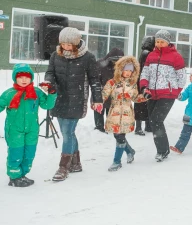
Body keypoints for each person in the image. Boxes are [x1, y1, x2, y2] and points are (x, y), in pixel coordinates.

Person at [44, 27, 102, 182]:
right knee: (66, 132)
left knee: (68, 132)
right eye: (63, 44)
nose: (65, 47)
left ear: (76, 43)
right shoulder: (55, 56)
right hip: (59, 98)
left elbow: (95, 79)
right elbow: (50, 72)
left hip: (77, 99)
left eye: (69, 44)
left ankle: (63, 167)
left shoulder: (88, 57)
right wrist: (48, 82)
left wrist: (97, 99)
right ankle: (76, 163)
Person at [0, 64, 57, 187]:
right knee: (16, 153)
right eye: (20, 77)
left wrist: (52, 93)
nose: (24, 80)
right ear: (15, 78)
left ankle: (22, 175)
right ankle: (14, 177)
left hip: (32, 129)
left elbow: (47, 105)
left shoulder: (37, 93)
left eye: (27, 77)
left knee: (29, 154)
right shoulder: (9, 93)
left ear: (31, 78)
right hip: (14, 130)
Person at [139, 30, 186, 162]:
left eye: (162, 42)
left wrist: (176, 91)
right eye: (158, 41)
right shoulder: (151, 55)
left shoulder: (176, 57)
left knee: (156, 120)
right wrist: (144, 87)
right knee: (153, 121)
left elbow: (182, 76)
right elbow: (145, 73)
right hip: (152, 93)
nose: (159, 44)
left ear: (168, 42)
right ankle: (162, 149)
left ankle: (162, 151)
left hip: (167, 93)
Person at [101, 56, 146, 172]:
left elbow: (135, 98)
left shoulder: (133, 84)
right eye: (126, 70)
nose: (128, 73)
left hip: (127, 115)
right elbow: (104, 94)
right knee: (117, 136)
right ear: (120, 70)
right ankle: (130, 151)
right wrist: (98, 101)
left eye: (130, 71)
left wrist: (144, 97)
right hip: (114, 114)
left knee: (120, 138)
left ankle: (117, 162)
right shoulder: (112, 83)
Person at [93, 48, 124, 133]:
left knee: (111, 110)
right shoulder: (100, 64)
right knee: (99, 109)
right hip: (100, 90)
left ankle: (109, 126)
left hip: (115, 92)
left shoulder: (123, 66)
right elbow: (95, 79)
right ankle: (99, 128)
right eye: (114, 60)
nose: (116, 62)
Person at [134, 36, 155, 136]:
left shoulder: (144, 52)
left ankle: (146, 126)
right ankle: (139, 128)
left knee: (144, 104)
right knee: (142, 104)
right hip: (144, 82)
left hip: (142, 81)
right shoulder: (148, 53)